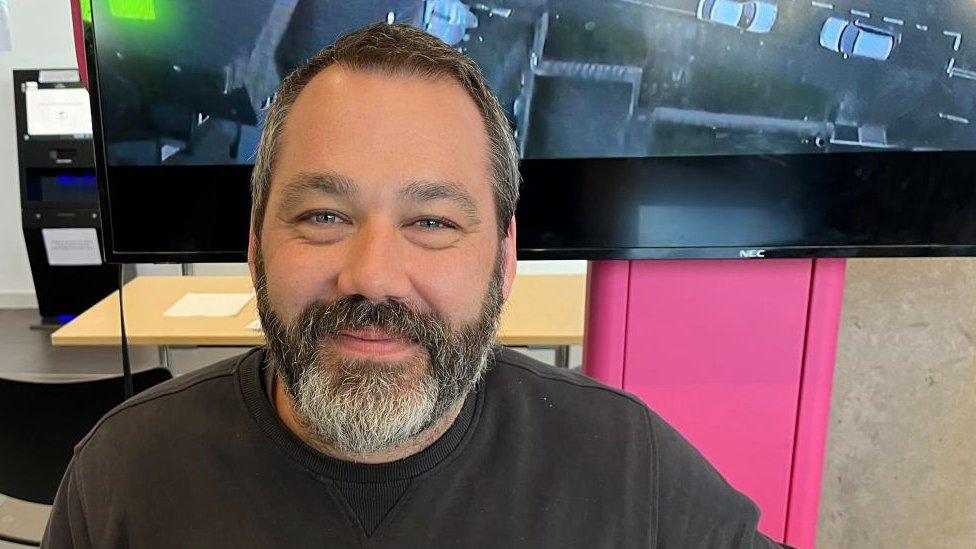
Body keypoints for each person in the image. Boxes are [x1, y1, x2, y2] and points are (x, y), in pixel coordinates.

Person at [43, 23, 785, 548]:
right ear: (254, 245)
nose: (371, 273)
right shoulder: (124, 476)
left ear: (503, 257)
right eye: (323, 214)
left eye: (431, 222)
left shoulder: (628, 470)